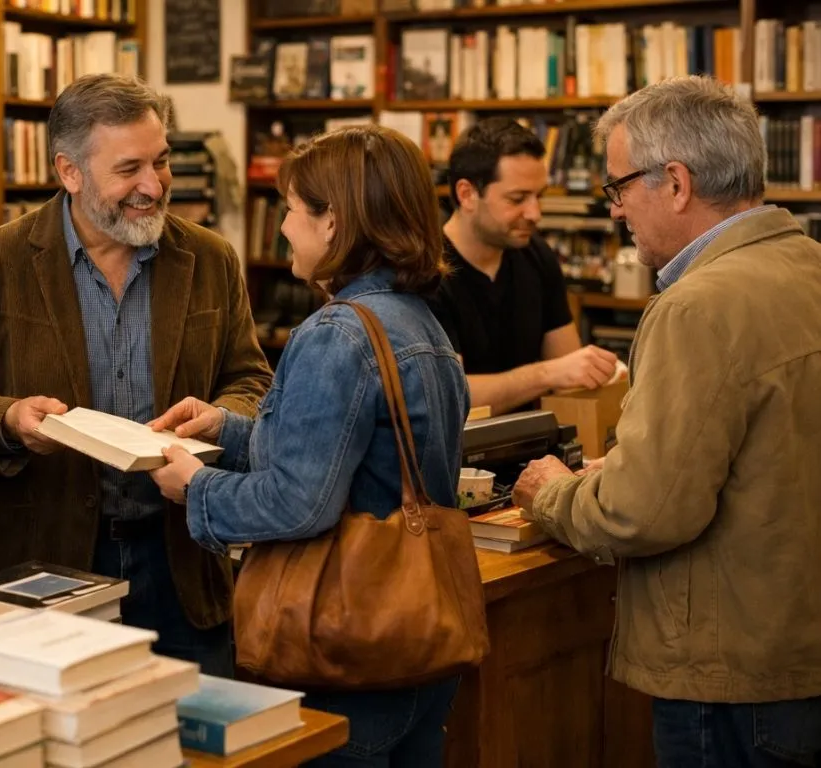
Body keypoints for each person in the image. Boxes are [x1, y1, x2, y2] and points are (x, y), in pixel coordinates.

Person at [0, 74, 272, 675]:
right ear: (69, 172)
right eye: (129, 169)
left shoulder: (209, 259)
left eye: (162, 161)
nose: (153, 185)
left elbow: (251, 381)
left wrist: (222, 418)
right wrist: (9, 421)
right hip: (39, 562)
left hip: (179, 561)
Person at [512, 75, 821, 765]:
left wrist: (554, 494)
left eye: (619, 188)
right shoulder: (809, 267)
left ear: (675, 183)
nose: (617, 211)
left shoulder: (696, 307)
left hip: (732, 671)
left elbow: (642, 513)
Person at [148, 125, 469, 765]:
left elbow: (299, 503)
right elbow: (354, 453)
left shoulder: (336, 333)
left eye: (293, 211)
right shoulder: (418, 320)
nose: (284, 229)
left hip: (345, 647)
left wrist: (195, 487)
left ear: (335, 222)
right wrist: (226, 429)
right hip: (419, 641)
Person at [429, 117, 619, 414]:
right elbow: (452, 395)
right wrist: (548, 374)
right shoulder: (429, 273)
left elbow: (569, 371)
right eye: (517, 199)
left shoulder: (536, 255)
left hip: (537, 450)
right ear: (466, 194)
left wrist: (600, 371)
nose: (535, 213)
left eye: (538, 196)